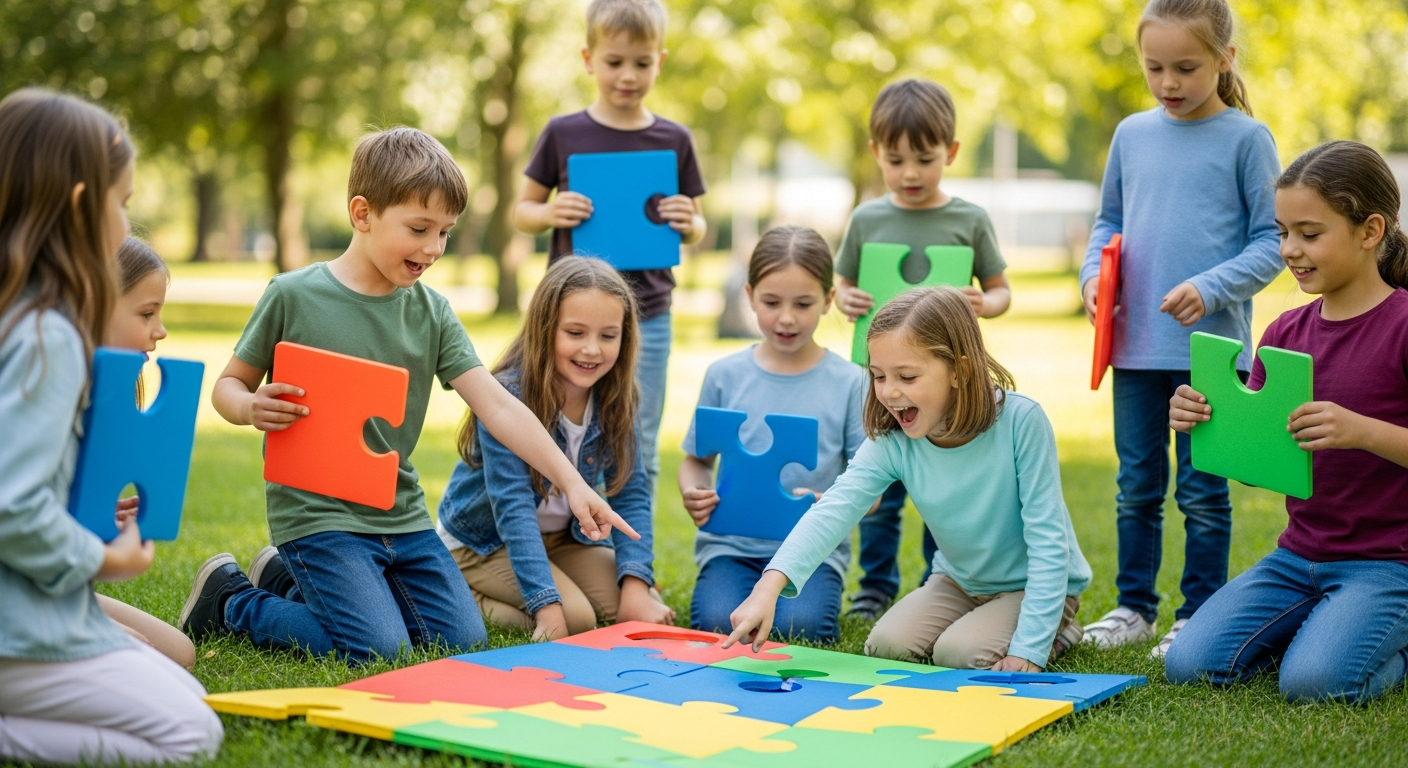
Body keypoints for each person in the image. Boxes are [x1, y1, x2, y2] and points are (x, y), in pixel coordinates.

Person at [179, 127, 636, 665]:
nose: (433, 248)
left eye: (444, 232)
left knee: (460, 641)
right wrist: (249, 406)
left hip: (402, 517)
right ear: (363, 214)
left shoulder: (432, 312)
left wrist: (573, 483)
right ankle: (230, 601)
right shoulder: (293, 295)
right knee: (377, 648)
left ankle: (289, 581)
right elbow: (227, 386)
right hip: (317, 517)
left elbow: (497, 405)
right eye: (419, 229)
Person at [0, 88, 222, 765]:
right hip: (20, 629)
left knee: (184, 682)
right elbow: (11, 508)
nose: (127, 224)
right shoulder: (50, 338)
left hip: (35, 610)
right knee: (194, 733)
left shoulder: (24, 318)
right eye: (121, 203)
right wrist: (105, 559)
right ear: (78, 206)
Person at [724, 287, 1090, 671]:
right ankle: (989, 624)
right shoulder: (893, 440)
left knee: (960, 654)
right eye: (878, 376)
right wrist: (767, 588)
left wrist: (1029, 649)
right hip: (959, 583)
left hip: (1032, 587)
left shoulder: (1021, 422)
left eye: (907, 376)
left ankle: (1059, 633)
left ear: (960, 371)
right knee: (887, 647)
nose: (889, 391)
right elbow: (834, 508)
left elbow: (1049, 541)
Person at [1166, 141, 1408, 703]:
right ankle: (1327, 630)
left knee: (1313, 684)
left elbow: (1363, 432)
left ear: (1370, 231)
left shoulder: (1401, 326)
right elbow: (1259, 464)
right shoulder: (1284, 334)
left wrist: (1362, 431)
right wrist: (1207, 423)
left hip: (1389, 563)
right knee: (1190, 665)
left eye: (1310, 233)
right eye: (1282, 233)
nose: (1290, 250)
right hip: (1298, 557)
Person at [1078, 0, 1283, 657]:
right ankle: (1133, 608)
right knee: (1136, 486)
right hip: (1135, 347)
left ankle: (1198, 614)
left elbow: (1273, 242)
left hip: (1211, 353)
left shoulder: (1247, 139)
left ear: (1225, 60)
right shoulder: (1131, 135)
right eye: (1154, 67)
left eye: (1186, 68)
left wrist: (1209, 287)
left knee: (1202, 491)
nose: (1168, 82)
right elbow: (1108, 222)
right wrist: (1092, 276)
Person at [513, 0, 707, 508]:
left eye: (642, 63)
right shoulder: (563, 133)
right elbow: (522, 211)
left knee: (637, 437)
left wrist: (689, 222)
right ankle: (560, 526)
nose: (628, 75)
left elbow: (697, 225)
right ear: (588, 59)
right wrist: (550, 211)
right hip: (570, 315)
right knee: (555, 424)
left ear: (660, 62)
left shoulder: (674, 139)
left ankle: (631, 545)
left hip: (648, 316)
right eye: (615, 61)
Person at [832, 78, 1013, 621]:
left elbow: (1002, 291)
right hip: (882, 381)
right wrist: (845, 297)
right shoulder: (867, 219)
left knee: (947, 487)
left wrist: (984, 302)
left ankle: (944, 580)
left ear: (950, 152)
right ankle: (874, 587)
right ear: (876, 154)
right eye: (896, 160)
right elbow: (841, 284)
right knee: (880, 488)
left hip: (947, 383)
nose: (910, 173)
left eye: (924, 159)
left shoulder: (969, 220)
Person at [437, 257, 674, 639]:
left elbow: (631, 493)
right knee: (574, 620)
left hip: (561, 540)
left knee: (637, 602)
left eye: (608, 336)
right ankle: (460, 594)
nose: (592, 349)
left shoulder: (617, 397)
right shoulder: (507, 396)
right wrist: (546, 606)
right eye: (575, 333)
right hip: (484, 542)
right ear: (545, 328)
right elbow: (514, 508)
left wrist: (635, 587)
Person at [680, 226, 869, 644]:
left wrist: (830, 505)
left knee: (803, 627)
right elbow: (696, 460)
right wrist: (694, 491)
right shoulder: (724, 375)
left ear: (829, 300)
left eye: (803, 304)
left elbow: (869, 491)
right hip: (731, 549)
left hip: (811, 552)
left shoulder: (852, 383)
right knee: (717, 621)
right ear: (749, 296)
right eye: (771, 302)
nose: (786, 318)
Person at [93, 236, 198, 671]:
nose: (160, 330)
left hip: (44, 585)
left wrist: (99, 522)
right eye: (146, 314)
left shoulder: (101, 399)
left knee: (179, 654)